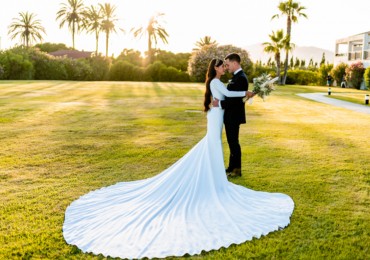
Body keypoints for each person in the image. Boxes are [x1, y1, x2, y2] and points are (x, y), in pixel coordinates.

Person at [62, 58, 294, 259]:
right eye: (221, 66)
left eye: (225, 65)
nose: (224, 67)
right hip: (215, 119)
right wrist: (246, 93)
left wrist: (244, 93)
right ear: (215, 69)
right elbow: (228, 95)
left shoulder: (216, 82)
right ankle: (213, 182)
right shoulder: (215, 82)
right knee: (212, 144)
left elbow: (225, 96)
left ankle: (216, 178)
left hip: (216, 115)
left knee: (212, 146)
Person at [212, 53, 254, 177]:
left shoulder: (241, 77)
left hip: (234, 116)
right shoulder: (236, 76)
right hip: (231, 115)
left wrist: (219, 104)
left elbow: (234, 100)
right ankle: (231, 167)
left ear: (235, 63)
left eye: (228, 64)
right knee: (232, 142)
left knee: (234, 143)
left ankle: (236, 170)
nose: (226, 67)